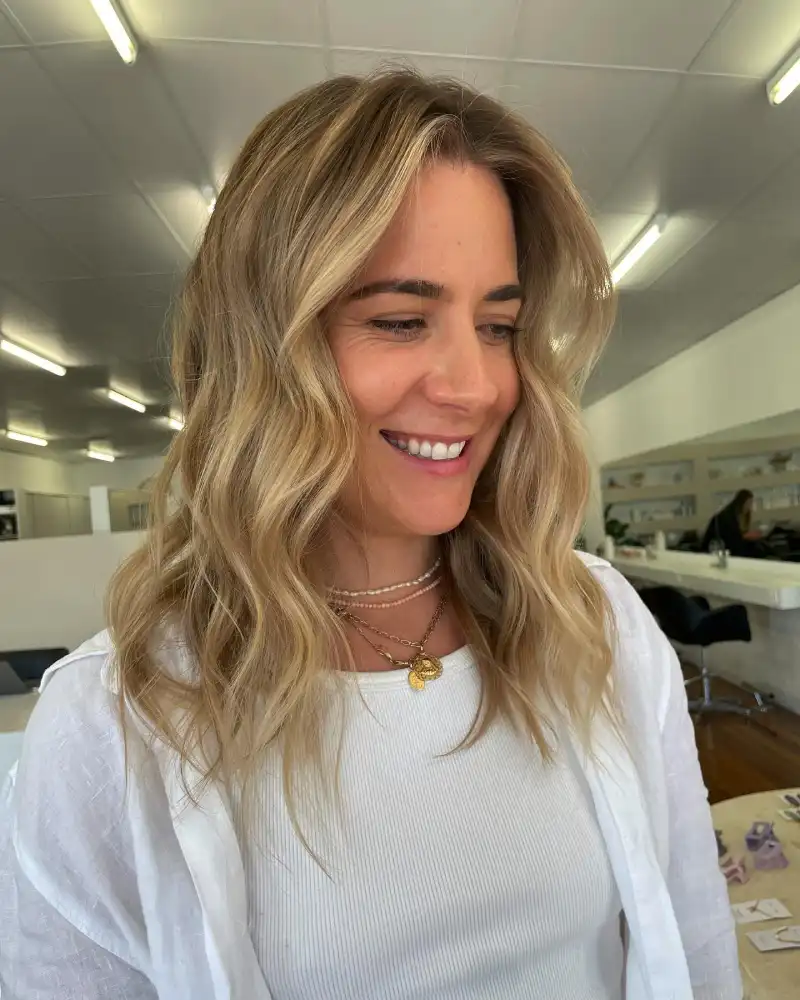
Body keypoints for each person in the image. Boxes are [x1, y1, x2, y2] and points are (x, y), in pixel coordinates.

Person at [0, 71, 741, 1000]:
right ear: (262, 346)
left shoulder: (593, 625)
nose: (476, 386)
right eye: (399, 320)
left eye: (499, 325)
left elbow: (695, 944)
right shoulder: (113, 723)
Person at [701, 489, 763, 557]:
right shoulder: (727, 517)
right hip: (721, 548)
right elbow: (730, 538)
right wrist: (745, 536)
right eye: (748, 503)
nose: (749, 506)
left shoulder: (742, 516)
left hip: (733, 546)